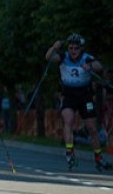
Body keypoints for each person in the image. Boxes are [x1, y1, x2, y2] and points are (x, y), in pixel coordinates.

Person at [45, 33, 111, 171]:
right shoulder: (64, 57)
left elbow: (99, 65)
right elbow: (49, 58)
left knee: (91, 128)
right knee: (68, 120)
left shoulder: (86, 58)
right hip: (69, 95)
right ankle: (70, 152)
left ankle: (98, 157)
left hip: (85, 95)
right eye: (70, 48)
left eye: (76, 48)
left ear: (81, 48)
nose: (73, 51)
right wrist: (54, 47)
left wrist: (91, 66)